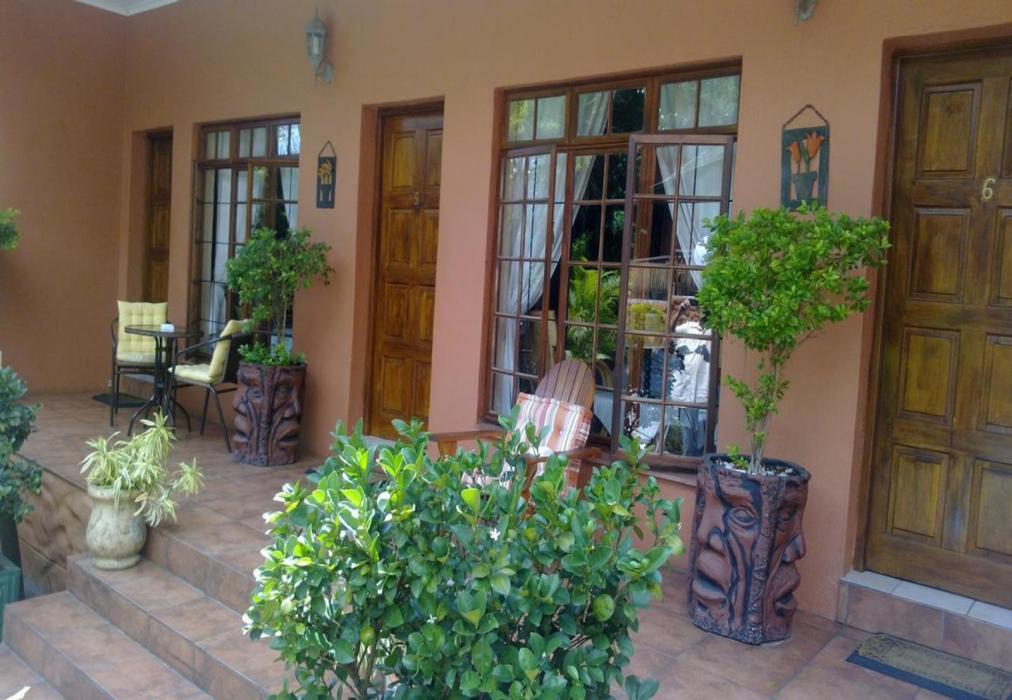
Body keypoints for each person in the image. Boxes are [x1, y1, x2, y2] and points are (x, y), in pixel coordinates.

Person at [668, 297, 709, 456]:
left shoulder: (709, 330)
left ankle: (699, 457)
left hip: (702, 389)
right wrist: (679, 312)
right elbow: (669, 331)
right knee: (686, 428)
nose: (696, 313)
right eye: (693, 309)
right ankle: (685, 456)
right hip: (686, 388)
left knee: (702, 430)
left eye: (699, 310)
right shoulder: (687, 328)